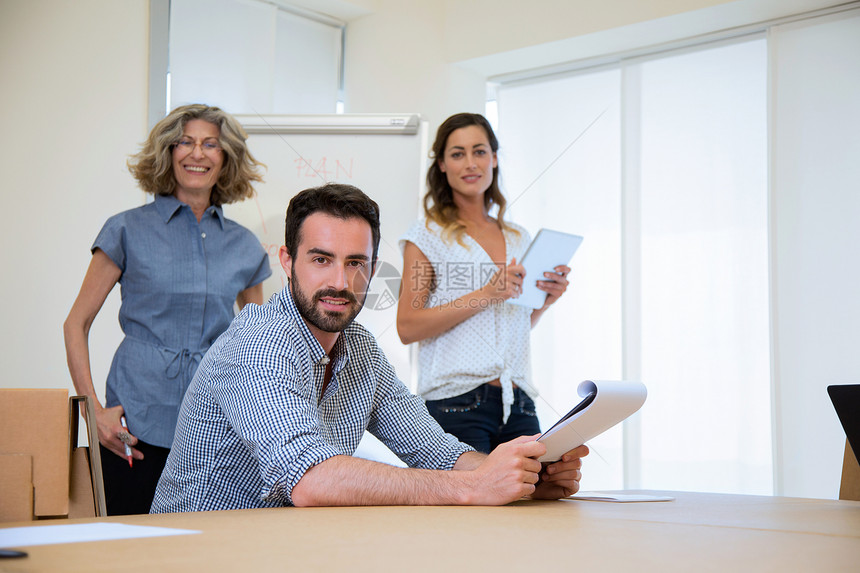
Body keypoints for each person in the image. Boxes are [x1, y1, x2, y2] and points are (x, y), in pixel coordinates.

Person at [150, 183, 587, 512]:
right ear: (287, 260)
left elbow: (437, 451)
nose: (340, 282)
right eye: (321, 259)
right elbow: (311, 480)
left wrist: (523, 478)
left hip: (281, 545)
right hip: (197, 549)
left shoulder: (360, 349)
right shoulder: (257, 343)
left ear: (374, 268)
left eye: (355, 263)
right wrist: (474, 487)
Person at [63, 104, 272, 515]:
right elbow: (76, 323)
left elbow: (257, 344)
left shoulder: (245, 246)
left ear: (226, 157)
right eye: (186, 142)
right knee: (128, 547)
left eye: (211, 144)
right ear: (168, 153)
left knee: (203, 549)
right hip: (133, 426)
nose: (198, 153)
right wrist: (94, 413)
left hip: (215, 427)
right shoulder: (125, 228)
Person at [397, 112, 570, 453]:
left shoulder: (518, 237)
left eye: (479, 151)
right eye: (457, 154)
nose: (470, 163)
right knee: (473, 506)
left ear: (493, 157)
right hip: (455, 404)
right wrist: (487, 293)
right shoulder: (426, 236)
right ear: (442, 165)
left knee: (537, 503)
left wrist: (545, 302)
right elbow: (407, 326)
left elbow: (512, 325)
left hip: (517, 401)